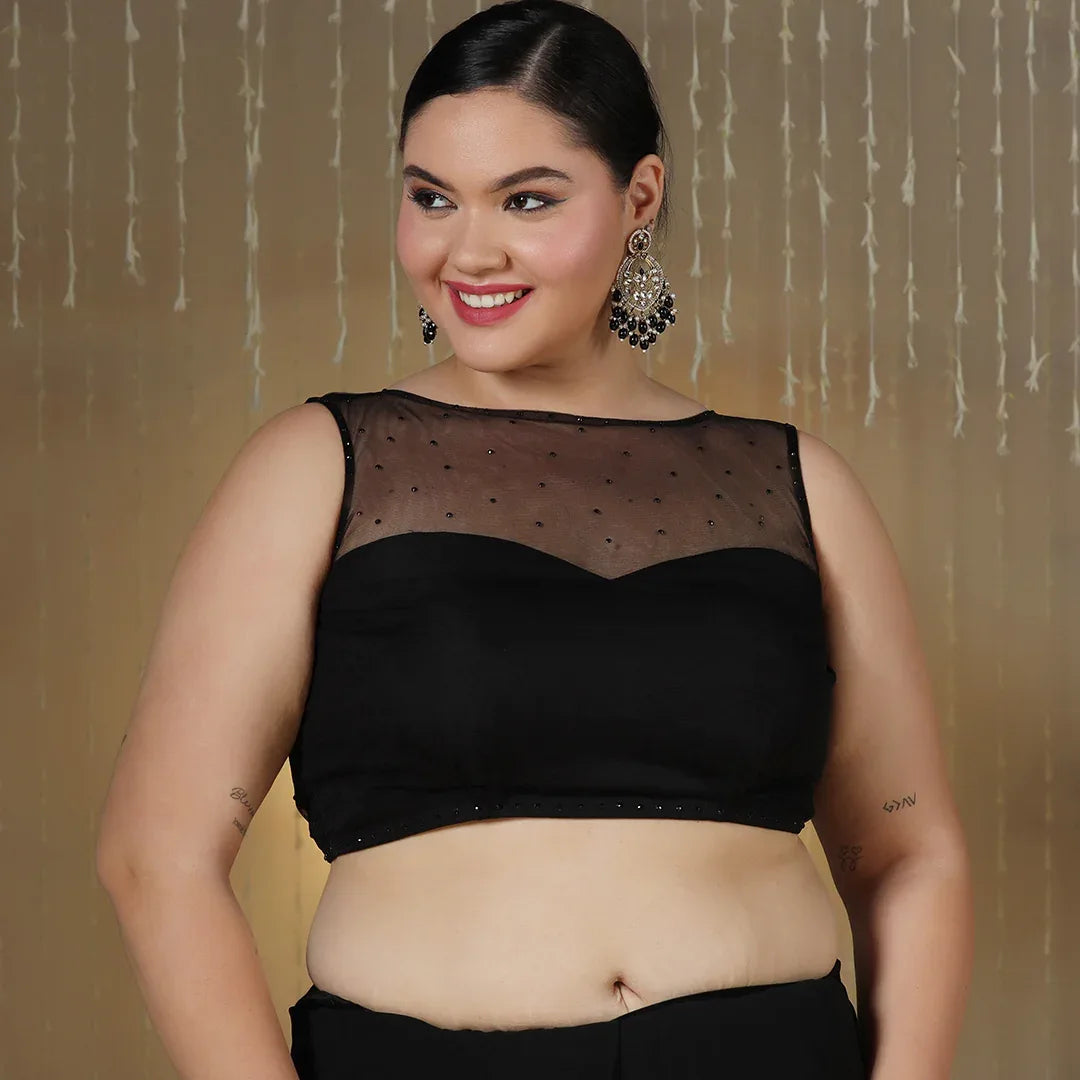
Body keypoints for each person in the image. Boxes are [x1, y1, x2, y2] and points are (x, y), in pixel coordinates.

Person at [97, 2, 974, 1078]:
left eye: (527, 199)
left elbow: (908, 854)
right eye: (432, 198)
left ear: (639, 197)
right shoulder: (320, 468)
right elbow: (157, 857)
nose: (469, 250)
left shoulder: (798, 486)